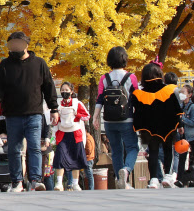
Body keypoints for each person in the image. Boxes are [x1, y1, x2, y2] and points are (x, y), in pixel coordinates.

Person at [0, 32, 59, 192]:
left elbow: (49, 87)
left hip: (34, 113)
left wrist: (54, 108)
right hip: (12, 115)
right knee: (14, 148)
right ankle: (17, 182)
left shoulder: (39, 63)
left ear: (26, 44)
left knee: (34, 147)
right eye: (12, 44)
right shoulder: (5, 65)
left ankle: (35, 180)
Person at [92, 46, 140, 189]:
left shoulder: (104, 78)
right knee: (132, 147)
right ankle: (126, 170)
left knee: (116, 150)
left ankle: (121, 180)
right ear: (124, 59)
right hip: (127, 119)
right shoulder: (131, 77)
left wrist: (95, 118)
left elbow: (100, 99)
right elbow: (137, 99)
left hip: (109, 121)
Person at [132, 62, 182, 189]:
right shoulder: (170, 89)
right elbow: (178, 109)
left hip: (149, 128)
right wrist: (180, 124)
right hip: (167, 125)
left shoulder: (139, 94)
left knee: (153, 151)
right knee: (167, 149)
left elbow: (137, 112)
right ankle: (167, 176)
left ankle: (153, 179)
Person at [52, 82, 89, 191]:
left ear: (71, 91)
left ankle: (75, 183)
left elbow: (87, 116)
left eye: (67, 90)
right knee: (59, 157)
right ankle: (59, 183)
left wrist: (76, 114)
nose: (64, 92)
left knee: (76, 158)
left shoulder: (77, 103)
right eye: (62, 90)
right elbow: (54, 120)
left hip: (75, 133)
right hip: (62, 133)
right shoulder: (58, 104)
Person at [177, 84, 194, 185]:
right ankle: (180, 180)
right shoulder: (181, 106)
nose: (181, 95)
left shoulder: (192, 108)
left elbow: (193, 122)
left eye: (184, 92)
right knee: (182, 158)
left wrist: (182, 119)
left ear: (190, 95)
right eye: (181, 92)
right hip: (184, 136)